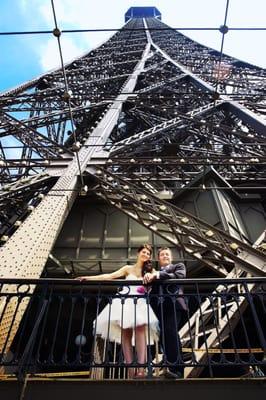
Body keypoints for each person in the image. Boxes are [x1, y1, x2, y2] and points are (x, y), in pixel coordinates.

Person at [77, 244, 159, 378]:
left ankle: (141, 369)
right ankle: (130, 368)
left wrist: (152, 277)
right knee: (125, 334)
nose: (145, 255)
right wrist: (88, 278)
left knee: (140, 331)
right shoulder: (128, 268)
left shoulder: (151, 270)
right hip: (125, 302)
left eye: (148, 253)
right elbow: (109, 276)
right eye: (143, 252)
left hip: (140, 304)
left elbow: (158, 277)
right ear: (138, 253)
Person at [143, 246, 187, 379]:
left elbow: (180, 276)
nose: (165, 256)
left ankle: (176, 368)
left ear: (171, 257)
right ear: (159, 258)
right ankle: (170, 364)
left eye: (167, 254)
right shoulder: (154, 272)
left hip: (173, 305)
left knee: (170, 332)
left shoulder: (178, 266)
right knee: (163, 335)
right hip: (159, 307)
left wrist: (158, 275)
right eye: (162, 255)